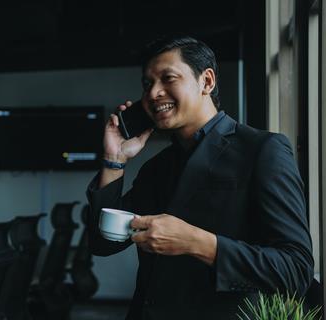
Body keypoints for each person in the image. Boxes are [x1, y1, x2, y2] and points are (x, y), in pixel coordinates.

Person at [86, 36, 314, 320]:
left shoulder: (262, 150)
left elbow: (295, 270)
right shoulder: (156, 168)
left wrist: (197, 242)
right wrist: (114, 160)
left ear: (206, 81)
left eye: (168, 78)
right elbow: (102, 243)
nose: (154, 92)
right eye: (147, 84)